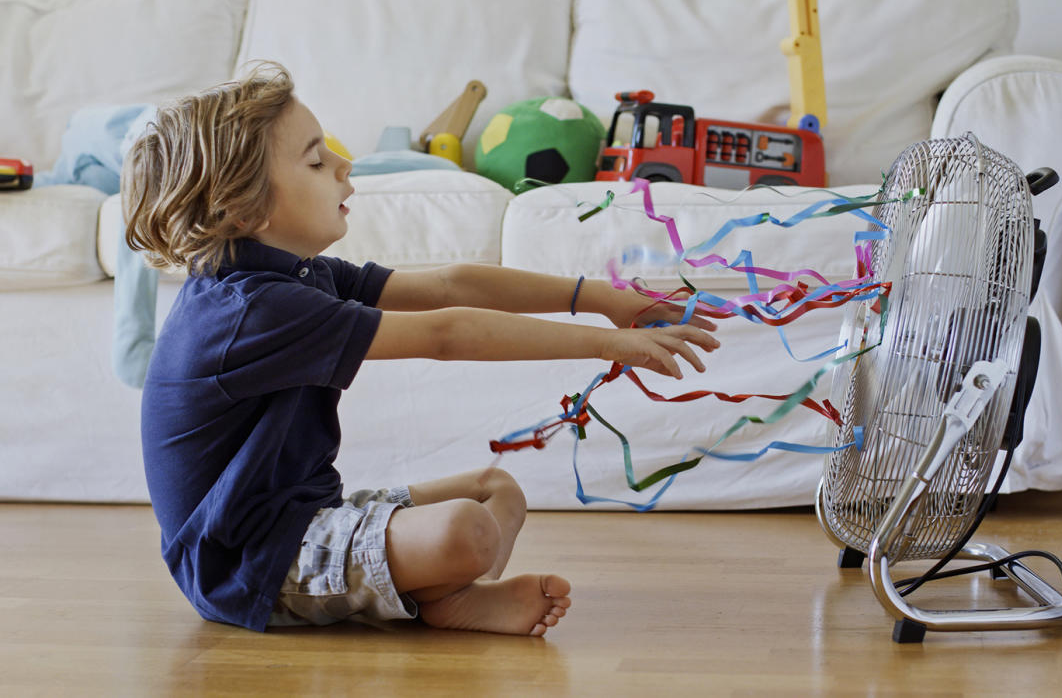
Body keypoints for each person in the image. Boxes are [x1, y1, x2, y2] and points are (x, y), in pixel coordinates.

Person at [122, 63, 719, 636]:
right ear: (243, 206)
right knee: (465, 530)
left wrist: (604, 298)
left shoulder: (291, 278)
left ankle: (445, 595)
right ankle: (450, 592)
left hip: (305, 523)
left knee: (494, 489)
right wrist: (611, 343)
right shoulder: (250, 312)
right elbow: (445, 332)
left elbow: (449, 284)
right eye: (316, 159)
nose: (344, 163)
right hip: (248, 566)